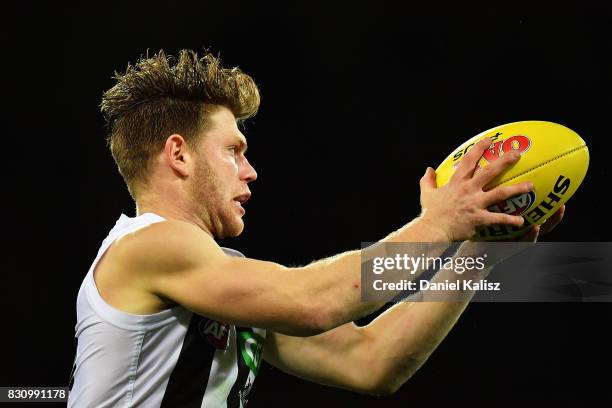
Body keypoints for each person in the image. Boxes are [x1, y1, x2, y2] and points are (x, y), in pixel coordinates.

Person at [67, 49, 564, 407]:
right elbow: (312, 303)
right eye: (233, 150)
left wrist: (473, 252)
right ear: (179, 154)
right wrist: (438, 222)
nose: (250, 170)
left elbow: (371, 362)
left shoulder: (218, 281)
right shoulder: (149, 245)